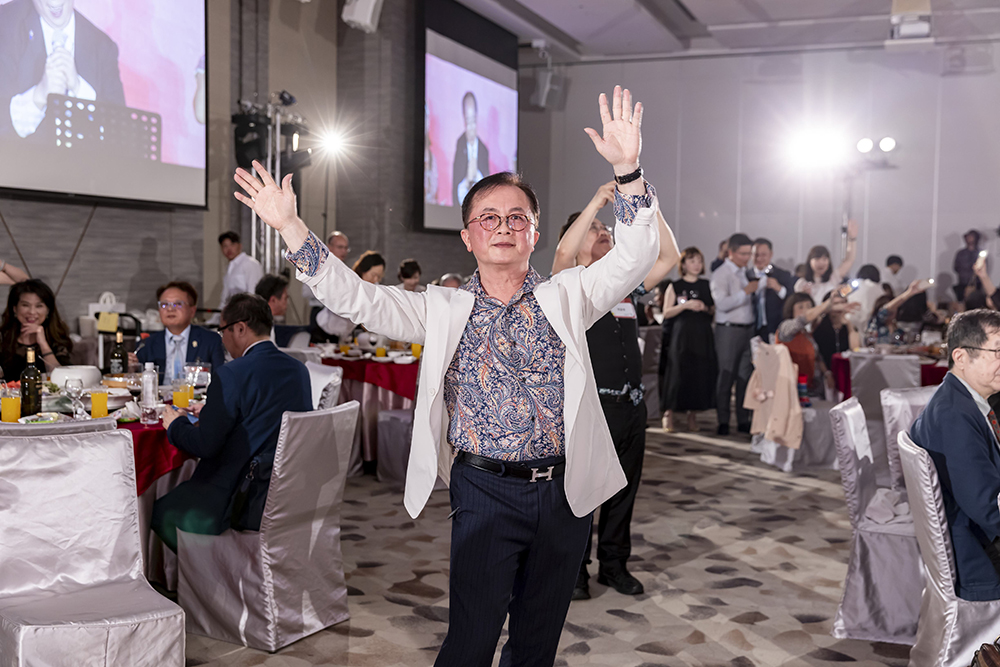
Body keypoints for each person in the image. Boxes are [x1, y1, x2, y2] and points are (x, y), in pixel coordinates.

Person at [234, 84, 658, 667]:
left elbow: (635, 257)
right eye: (489, 218)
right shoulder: (442, 307)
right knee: (470, 641)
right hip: (485, 490)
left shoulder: (570, 295)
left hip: (566, 490)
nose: (503, 227)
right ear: (468, 236)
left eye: (517, 218)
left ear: (535, 233)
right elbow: (355, 297)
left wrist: (628, 171)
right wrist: (289, 227)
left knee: (537, 645)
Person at [552, 178, 680, 600]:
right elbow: (562, 254)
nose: (603, 231)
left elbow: (670, 257)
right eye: (593, 229)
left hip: (631, 407)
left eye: (605, 227)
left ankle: (613, 565)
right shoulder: (570, 286)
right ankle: (574, 570)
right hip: (592, 408)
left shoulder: (625, 287)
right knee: (583, 491)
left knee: (623, 490)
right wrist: (594, 203)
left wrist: (650, 206)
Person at [152, 293, 312, 553]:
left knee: (161, 511)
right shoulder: (298, 369)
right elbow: (265, 414)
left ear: (240, 328)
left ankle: (208, 569)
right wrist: (212, 411)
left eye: (222, 330)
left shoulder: (231, 373)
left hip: (243, 497)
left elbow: (206, 446)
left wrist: (175, 424)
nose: (223, 339)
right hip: (291, 488)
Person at [911, 309, 1000, 601]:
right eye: (998, 351)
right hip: (981, 555)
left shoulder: (962, 399)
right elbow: (989, 507)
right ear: (960, 357)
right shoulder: (954, 416)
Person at [0, 0, 125, 140]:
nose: (55, 3)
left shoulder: (102, 47)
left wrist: (79, 89)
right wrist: (38, 96)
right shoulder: (5, 24)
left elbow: (119, 132)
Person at [660, 247, 716, 432]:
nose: (697, 265)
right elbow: (666, 312)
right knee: (677, 373)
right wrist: (685, 306)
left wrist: (704, 308)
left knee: (697, 374)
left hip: (701, 335)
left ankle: (693, 415)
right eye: (692, 261)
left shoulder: (706, 285)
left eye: (699, 261)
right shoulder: (675, 286)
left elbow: (712, 309)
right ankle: (668, 414)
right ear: (683, 265)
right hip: (681, 336)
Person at [133, 281, 226, 384]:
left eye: (177, 304)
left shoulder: (210, 340)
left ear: (192, 311)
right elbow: (138, 380)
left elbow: (220, 380)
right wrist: (132, 366)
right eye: (164, 304)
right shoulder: (146, 344)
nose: (170, 309)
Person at [711, 232, 757, 436]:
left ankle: (743, 420)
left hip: (749, 330)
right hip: (728, 330)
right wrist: (745, 292)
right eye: (743, 254)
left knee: (745, 377)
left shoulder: (747, 272)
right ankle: (723, 420)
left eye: (749, 253)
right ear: (731, 252)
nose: (747, 258)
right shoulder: (720, 274)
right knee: (726, 376)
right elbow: (722, 304)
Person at [776, 292, 857, 395]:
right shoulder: (785, 327)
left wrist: (827, 373)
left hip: (810, 386)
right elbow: (803, 319)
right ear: (791, 309)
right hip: (792, 388)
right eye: (800, 307)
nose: (806, 310)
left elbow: (817, 357)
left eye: (809, 307)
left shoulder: (806, 333)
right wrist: (828, 305)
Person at [0, 279, 71, 378]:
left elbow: (62, 378)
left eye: (39, 306)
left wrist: (43, 344)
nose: (32, 312)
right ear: (15, 308)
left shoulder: (58, 338)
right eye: (25, 305)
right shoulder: (2, 337)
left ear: (48, 311)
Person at [794, 219, 859, 302]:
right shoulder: (801, 283)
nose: (821, 263)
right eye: (817, 259)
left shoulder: (833, 278)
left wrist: (852, 239)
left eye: (824, 259)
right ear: (810, 261)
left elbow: (849, 260)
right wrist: (803, 296)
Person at [749, 238, 796, 341]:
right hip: (751, 329)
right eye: (756, 255)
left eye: (763, 255)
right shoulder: (746, 276)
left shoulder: (782, 275)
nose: (759, 258)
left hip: (775, 327)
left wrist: (779, 288)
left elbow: (792, 298)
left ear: (770, 254)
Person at [864, 279, 933, 345]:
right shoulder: (876, 323)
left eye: (895, 308)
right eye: (892, 308)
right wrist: (909, 293)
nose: (892, 311)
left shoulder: (899, 331)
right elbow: (885, 310)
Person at [452, 91, 490, 206]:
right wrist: (467, 179)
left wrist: (477, 175)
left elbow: (489, 193)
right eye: (468, 121)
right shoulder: (460, 145)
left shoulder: (483, 150)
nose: (471, 127)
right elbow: (455, 191)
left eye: (473, 121)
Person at [813, 292, 861, 370]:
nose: (840, 307)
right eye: (836, 304)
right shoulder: (819, 323)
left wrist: (849, 325)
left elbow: (855, 349)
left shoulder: (849, 325)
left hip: (845, 370)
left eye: (843, 303)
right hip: (824, 370)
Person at [218, 231, 264, 313]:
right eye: (225, 246)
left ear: (240, 245)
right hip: (234, 313)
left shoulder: (250, 264)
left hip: (248, 313)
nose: (229, 249)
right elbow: (225, 298)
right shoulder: (229, 268)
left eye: (232, 244)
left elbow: (254, 294)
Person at [955, 230, 982, 302]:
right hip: (963, 282)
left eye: (971, 237)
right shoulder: (961, 253)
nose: (969, 239)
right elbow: (956, 267)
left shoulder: (979, 253)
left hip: (977, 283)